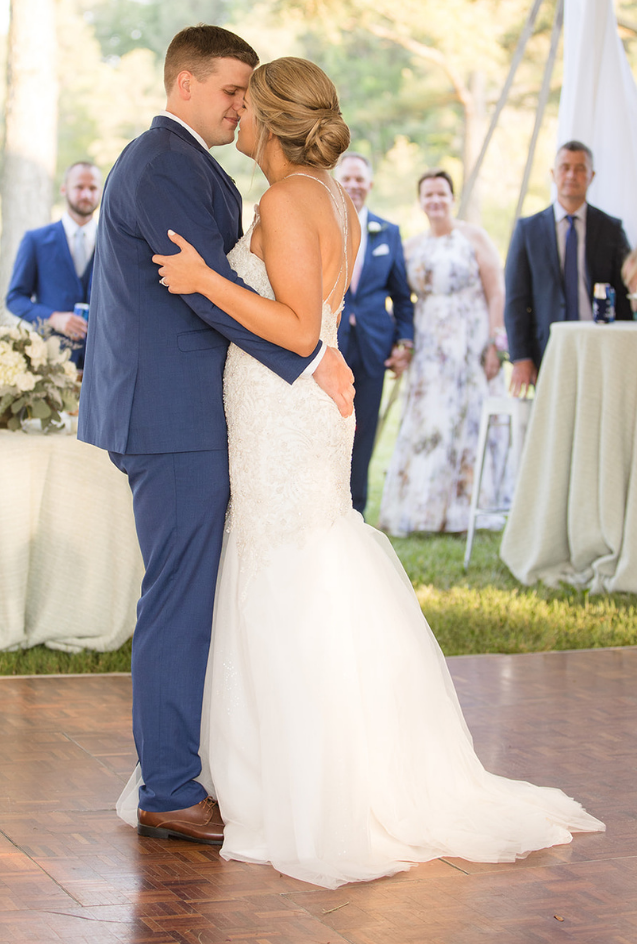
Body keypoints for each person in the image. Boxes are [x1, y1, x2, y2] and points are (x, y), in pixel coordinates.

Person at [146, 54, 602, 889]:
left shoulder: (286, 200)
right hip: (297, 407)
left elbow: (292, 327)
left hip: (283, 406)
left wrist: (207, 277)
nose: (236, 115)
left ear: (270, 122)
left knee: (283, 562)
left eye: (248, 105)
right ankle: (311, 760)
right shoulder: (333, 199)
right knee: (304, 554)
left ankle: (296, 779)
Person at [78, 25, 357, 846]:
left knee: (203, 594)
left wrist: (308, 355)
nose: (242, 107)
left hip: (199, 411)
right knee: (179, 600)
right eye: (232, 90)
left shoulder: (192, 165)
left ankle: (203, 768)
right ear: (184, 85)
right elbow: (205, 291)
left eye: (250, 94)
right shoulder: (163, 162)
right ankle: (169, 787)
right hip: (169, 418)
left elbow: (224, 287)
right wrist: (310, 359)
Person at [377, 170, 507, 535]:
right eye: (428, 195)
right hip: (430, 350)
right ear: (420, 201)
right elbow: (401, 299)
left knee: (469, 420)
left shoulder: (474, 237)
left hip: (470, 344)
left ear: (453, 197)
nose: (435, 200)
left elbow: (496, 291)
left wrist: (496, 345)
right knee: (429, 421)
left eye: (441, 193)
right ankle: (424, 510)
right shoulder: (412, 247)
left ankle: (470, 509)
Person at [505, 140, 633, 397]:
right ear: (553, 174)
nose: (571, 175)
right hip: (549, 348)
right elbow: (516, 299)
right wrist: (521, 357)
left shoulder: (611, 228)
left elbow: (628, 290)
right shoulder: (527, 230)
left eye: (580, 168)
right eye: (564, 167)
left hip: (602, 346)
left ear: (591, 175)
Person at [334, 151, 414, 513]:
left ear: (370, 185)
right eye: (347, 179)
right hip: (329, 346)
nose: (353, 185)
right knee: (328, 429)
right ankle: (326, 506)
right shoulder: (322, 223)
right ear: (337, 181)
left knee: (363, 433)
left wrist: (404, 342)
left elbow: (402, 297)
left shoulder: (389, 232)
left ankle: (357, 512)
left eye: (359, 180)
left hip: (373, 348)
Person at [5, 161, 102, 366]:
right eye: (79, 187)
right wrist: (53, 318)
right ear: (64, 188)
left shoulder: (113, 242)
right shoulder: (36, 240)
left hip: (103, 361)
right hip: (51, 364)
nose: (86, 195)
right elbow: (15, 298)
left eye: (93, 188)